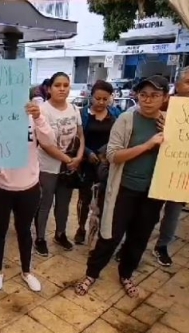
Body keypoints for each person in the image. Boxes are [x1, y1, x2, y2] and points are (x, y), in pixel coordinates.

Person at [75, 75, 169, 297]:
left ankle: (126, 274)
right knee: (110, 235)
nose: (148, 100)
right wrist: (147, 145)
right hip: (124, 189)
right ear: (137, 95)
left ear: (165, 97)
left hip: (152, 192)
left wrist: (173, 133)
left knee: (140, 236)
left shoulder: (171, 123)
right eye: (143, 94)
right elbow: (113, 154)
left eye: (155, 95)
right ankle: (92, 273)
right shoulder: (126, 119)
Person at [0, 101, 55, 292]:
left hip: (28, 186)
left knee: (24, 230)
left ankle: (26, 271)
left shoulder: (32, 114)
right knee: (0, 229)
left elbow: (49, 140)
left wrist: (39, 117)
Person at [152, 65, 189, 267]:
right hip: (158, 167)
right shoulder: (163, 104)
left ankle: (162, 245)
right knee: (148, 212)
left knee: (173, 212)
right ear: (178, 84)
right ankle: (132, 244)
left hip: (183, 169)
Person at [34, 72, 85, 255]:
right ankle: (40, 238)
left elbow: (80, 134)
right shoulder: (43, 111)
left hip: (69, 167)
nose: (62, 89)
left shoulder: (74, 109)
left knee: (64, 203)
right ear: (49, 88)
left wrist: (78, 157)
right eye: (58, 85)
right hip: (48, 166)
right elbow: (45, 144)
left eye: (65, 85)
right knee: (45, 202)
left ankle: (60, 233)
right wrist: (68, 159)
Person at [74, 80, 116, 244]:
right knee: (84, 198)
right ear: (91, 97)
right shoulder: (82, 114)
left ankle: (96, 228)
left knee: (102, 198)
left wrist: (103, 153)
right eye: (98, 98)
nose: (101, 102)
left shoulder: (116, 115)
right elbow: (76, 138)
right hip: (86, 162)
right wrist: (88, 152)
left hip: (105, 163)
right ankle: (81, 227)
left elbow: (118, 138)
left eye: (105, 99)